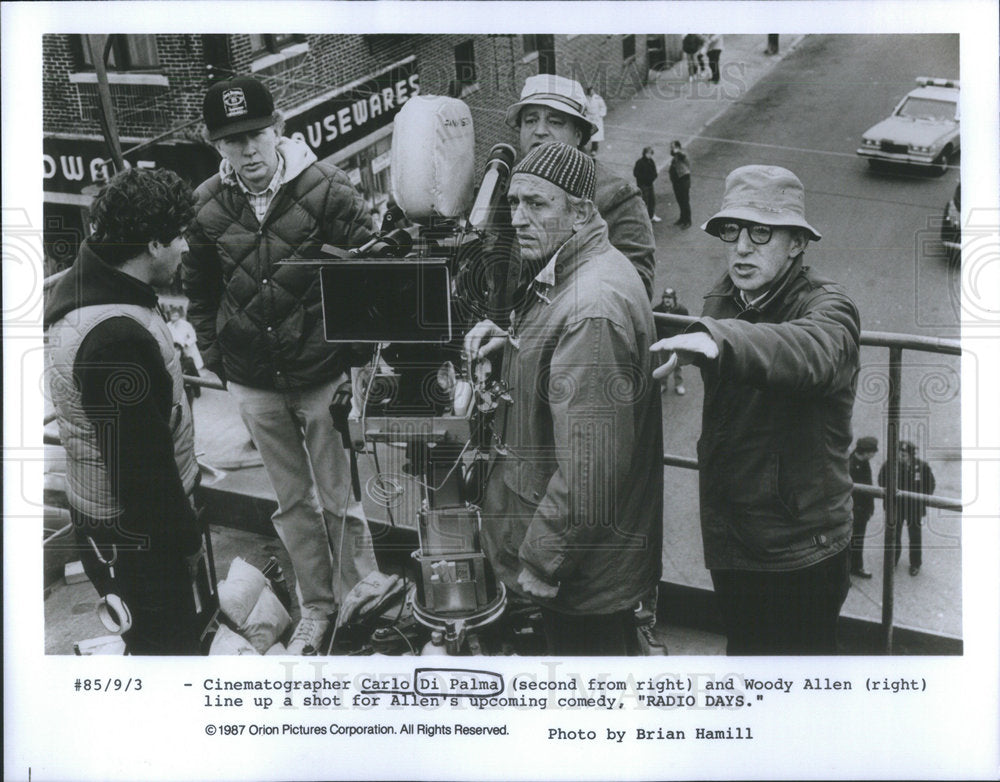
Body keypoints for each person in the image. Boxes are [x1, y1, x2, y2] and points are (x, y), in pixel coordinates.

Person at [183, 75, 379, 655]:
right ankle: (317, 606)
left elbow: (370, 277)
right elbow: (199, 289)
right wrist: (218, 359)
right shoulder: (206, 204)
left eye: (255, 134)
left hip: (323, 378)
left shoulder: (328, 188)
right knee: (291, 503)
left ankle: (362, 599)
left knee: (341, 500)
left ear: (280, 128)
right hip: (253, 382)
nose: (246, 151)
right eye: (230, 140)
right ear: (214, 143)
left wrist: (354, 364)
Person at [651, 165, 861, 655]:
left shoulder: (829, 307)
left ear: (796, 244)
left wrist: (717, 337)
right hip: (735, 540)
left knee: (798, 694)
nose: (742, 247)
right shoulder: (724, 296)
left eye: (761, 232)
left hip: (799, 552)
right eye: (733, 230)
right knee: (745, 660)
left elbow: (813, 352)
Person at [465, 142, 663, 656]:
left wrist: (543, 560)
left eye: (538, 204)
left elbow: (592, 465)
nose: (520, 218)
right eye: (514, 203)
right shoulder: (574, 268)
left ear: (580, 212)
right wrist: (512, 340)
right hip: (587, 564)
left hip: (580, 571)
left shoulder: (591, 307)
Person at [45, 168, 204, 654]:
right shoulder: (116, 339)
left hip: (114, 532)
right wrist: (186, 543)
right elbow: (144, 476)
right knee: (169, 652)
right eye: (180, 237)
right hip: (140, 544)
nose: (187, 248)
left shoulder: (95, 288)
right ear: (154, 244)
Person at [502, 73, 656, 302]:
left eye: (555, 122)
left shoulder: (618, 196)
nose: (540, 130)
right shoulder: (512, 189)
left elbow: (634, 288)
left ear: (578, 134)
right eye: (530, 120)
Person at [878, 440, 936, 576]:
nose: (901, 456)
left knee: (915, 536)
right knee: (894, 535)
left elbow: (930, 484)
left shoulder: (921, 467)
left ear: (911, 455)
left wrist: (922, 501)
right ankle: (893, 560)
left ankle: (915, 563)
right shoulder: (890, 465)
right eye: (900, 453)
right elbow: (881, 481)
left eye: (904, 454)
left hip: (913, 508)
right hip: (896, 507)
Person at [849, 436, 879, 578]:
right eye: (873, 452)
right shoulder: (849, 465)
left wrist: (870, 508)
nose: (874, 455)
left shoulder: (864, 463)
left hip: (862, 511)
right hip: (851, 511)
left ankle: (856, 567)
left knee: (858, 541)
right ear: (866, 452)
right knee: (847, 542)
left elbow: (869, 486)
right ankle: (844, 575)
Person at [652, 287, 689, 395]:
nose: (667, 300)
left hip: (677, 343)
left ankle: (679, 384)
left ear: (674, 299)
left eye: (670, 298)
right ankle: (663, 384)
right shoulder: (657, 310)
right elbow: (654, 327)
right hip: (664, 343)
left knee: (678, 364)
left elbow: (686, 326)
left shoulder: (682, 311)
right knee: (663, 364)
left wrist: (684, 340)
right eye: (665, 297)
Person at [167, 305, 204, 401]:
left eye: (176, 315)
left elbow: (193, 337)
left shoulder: (186, 325)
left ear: (179, 315)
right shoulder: (168, 325)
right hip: (175, 349)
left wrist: (186, 343)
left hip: (187, 348)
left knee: (192, 369)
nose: (174, 317)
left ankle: (197, 389)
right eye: (172, 315)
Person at [633, 146, 661, 223]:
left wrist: (653, 177)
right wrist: (645, 178)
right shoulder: (640, 162)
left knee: (652, 201)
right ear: (644, 153)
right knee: (644, 202)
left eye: (650, 153)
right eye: (648, 153)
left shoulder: (651, 161)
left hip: (650, 184)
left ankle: (651, 216)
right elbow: (636, 173)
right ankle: (644, 218)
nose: (649, 155)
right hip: (643, 185)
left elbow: (654, 172)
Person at [668, 140, 692, 228]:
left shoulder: (682, 154)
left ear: (678, 147)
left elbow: (683, 157)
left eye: (673, 147)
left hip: (683, 180)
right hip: (677, 181)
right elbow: (672, 154)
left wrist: (678, 151)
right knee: (680, 200)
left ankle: (688, 220)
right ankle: (682, 218)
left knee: (685, 201)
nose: (672, 149)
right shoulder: (675, 155)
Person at [583, 85, 607, 155]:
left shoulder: (598, 98)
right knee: (586, 132)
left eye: (592, 90)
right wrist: (585, 114)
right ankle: (582, 146)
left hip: (596, 118)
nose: (592, 92)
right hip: (588, 117)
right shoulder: (585, 98)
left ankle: (594, 149)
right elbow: (584, 107)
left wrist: (600, 115)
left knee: (596, 134)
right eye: (590, 90)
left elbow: (603, 107)